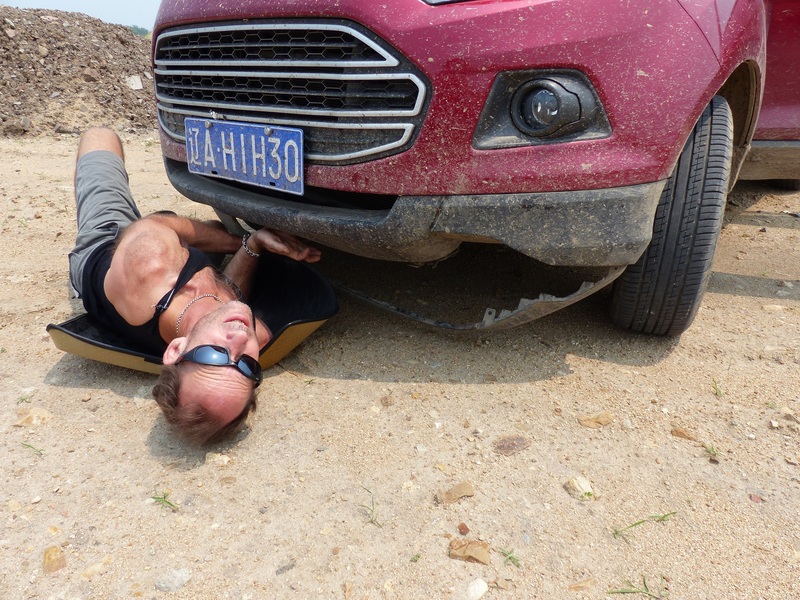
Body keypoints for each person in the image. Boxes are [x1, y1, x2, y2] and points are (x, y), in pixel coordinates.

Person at [68, 127, 321, 444]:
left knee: (102, 146)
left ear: (177, 348)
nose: (240, 338)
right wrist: (252, 244)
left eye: (216, 354)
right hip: (166, 261)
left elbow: (157, 226)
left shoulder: (149, 265)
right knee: (210, 232)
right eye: (246, 364)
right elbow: (229, 300)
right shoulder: (235, 334)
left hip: (106, 247)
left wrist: (236, 241)